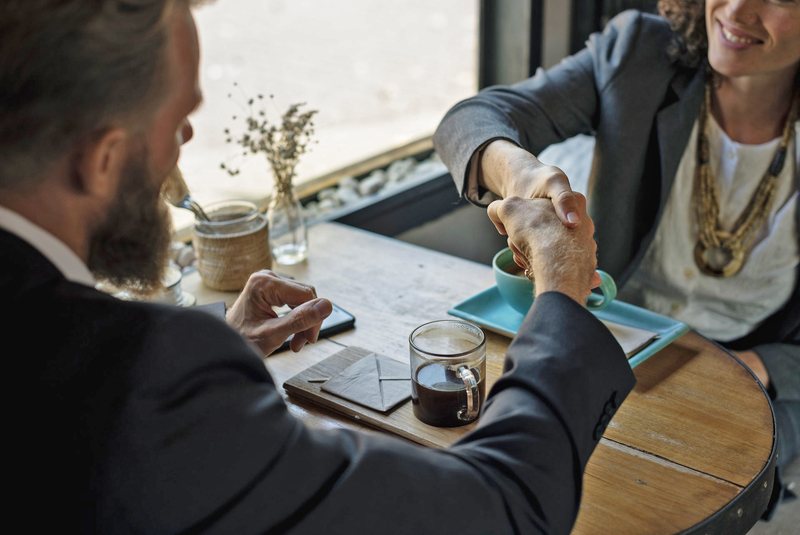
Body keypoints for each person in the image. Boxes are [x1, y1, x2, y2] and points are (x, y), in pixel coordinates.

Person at [0, 1, 635, 532]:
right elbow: (499, 509)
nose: (181, 149)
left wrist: (219, 347)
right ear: (104, 157)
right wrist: (560, 284)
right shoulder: (143, 381)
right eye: (180, 123)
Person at [434, 0, 799, 512]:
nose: (738, 10)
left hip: (751, 373)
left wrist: (757, 366)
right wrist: (520, 175)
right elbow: (469, 121)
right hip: (612, 344)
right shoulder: (641, 52)